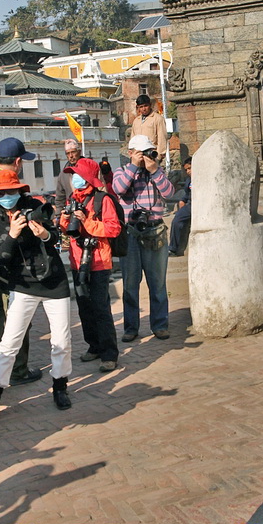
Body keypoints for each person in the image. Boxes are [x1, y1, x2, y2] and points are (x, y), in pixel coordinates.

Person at [0, 169, 73, 420]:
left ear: (20, 191)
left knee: (61, 340)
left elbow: (55, 237)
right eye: (0, 193)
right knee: (9, 343)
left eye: (11, 191)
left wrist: (45, 234)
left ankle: (60, 386)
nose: (6, 197)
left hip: (53, 281)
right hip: (21, 285)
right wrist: (12, 234)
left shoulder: (35, 207)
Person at [0, 137, 43, 386]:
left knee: (2, 316)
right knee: (16, 320)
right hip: (4, 262)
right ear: (18, 162)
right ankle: (16, 370)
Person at [60, 157, 121, 372]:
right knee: (84, 308)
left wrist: (86, 221)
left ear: (87, 177)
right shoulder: (72, 199)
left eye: (77, 174)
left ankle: (109, 354)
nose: (74, 179)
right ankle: (93, 346)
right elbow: (67, 230)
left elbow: (113, 229)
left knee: (101, 308)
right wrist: (65, 219)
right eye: (73, 175)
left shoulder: (102, 200)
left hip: (98, 262)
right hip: (77, 261)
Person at [112, 134, 175, 342]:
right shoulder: (122, 171)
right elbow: (118, 189)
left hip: (155, 231)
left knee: (157, 283)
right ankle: (131, 328)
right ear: (130, 153)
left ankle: (160, 325)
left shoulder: (156, 172)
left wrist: (154, 170)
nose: (146, 156)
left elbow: (169, 193)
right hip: (130, 233)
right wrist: (133, 167)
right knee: (130, 285)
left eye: (148, 152)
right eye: (141, 152)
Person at [131, 94, 168, 162]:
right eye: (141, 107)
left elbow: (162, 139)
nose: (144, 109)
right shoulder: (136, 121)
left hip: (151, 156)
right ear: (138, 107)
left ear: (150, 105)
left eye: (146, 106)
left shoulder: (158, 119)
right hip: (138, 156)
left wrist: (158, 157)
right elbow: (133, 139)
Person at [168, 158, 193, 257]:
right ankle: (173, 248)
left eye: (190, 168)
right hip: (190, 204)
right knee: (177, 221)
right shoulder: (189, 180)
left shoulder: (202, 179)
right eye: (186, 170)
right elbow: (187, 194)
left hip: (197, 205)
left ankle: (173, 248)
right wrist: (183, 200)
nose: (188, 171)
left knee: (178, 219)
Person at [54, 138, 83, 217]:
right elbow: (60, 199)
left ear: (79, 152)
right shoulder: (63, 174)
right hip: (72, 212)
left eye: (73, 152)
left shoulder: (89, 168)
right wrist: (58, 216)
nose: (71, 156)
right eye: (68, 153)